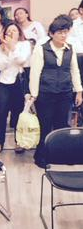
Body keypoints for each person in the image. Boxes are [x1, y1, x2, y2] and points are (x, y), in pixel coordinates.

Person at [29, 15, 83, 168]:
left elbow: (74, 71)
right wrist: (34, 94)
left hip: (65, 92)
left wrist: (79, 91)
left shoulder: (70, 48)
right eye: (59, 32)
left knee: (62, 125)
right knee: (45, 125)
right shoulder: (42, 48)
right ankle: (41, 156)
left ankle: (60, 154)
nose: (63, 35)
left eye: (66, 32)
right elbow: (35, 73)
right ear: (51, 34)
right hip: (45, 93)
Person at [0, 22, 31, 153]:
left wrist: (12, 48)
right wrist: (6, 52)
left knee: (18, 113)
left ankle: (19, 141)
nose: (11, 32)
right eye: (8, 31)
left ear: (19, 32)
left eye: (14, 30)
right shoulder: (1, 48)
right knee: (1, 112)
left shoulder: (24, 45)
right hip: (4, 82)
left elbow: (21, 60)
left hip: (18, 82)